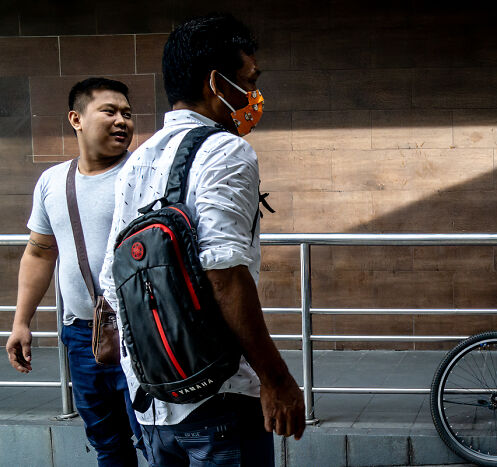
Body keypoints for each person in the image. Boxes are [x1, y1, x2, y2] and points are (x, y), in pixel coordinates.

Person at [99, 13, 305, 466]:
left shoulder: (137, 161)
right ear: (217, 83)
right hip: (221, 398)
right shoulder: (226, 151)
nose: (254, 96)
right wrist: (275, 379)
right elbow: (224, 273)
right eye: (249, 81)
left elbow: (112, 281)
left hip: (151, 400)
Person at [5, 78, 145, 466]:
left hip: (143, 334)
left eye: (128, 114)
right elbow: (39, 253)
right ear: (76, 118)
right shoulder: (53, 181)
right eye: (110, 111)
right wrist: (21, 322)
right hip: (83, 335)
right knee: (107, 444)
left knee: (157, 442)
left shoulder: (144, 173)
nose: (122, 121)